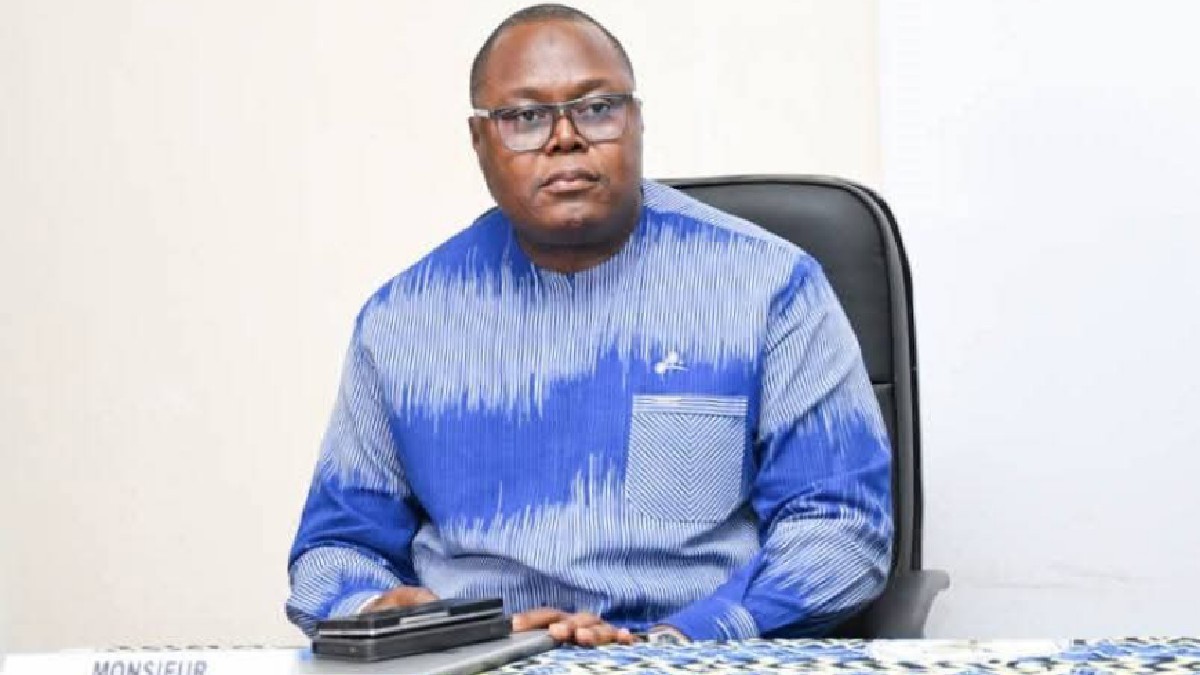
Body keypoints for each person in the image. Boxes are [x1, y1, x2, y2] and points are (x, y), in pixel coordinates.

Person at [286, 3, 892, 646]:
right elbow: (334, 551)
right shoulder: (401, 322)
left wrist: (676, 640)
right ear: (479, 141)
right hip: (484, 656)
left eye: (598, 107)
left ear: (637, 121)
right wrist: (387, 611)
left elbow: (842, 529)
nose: (565, 137)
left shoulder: (770, 288)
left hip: (690, 654)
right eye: (525, 117)